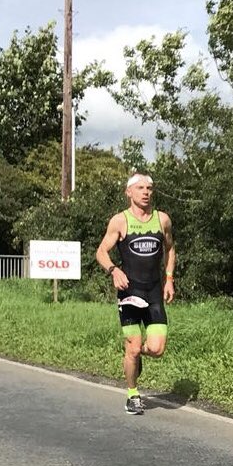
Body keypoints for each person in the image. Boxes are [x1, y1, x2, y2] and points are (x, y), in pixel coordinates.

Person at [95, 172, 176, 415]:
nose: (146, 192)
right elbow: (101, 252)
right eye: (140, 187)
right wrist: (113, 270)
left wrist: (169, 279)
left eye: (149, 188)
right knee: (132, 345)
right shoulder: (120, 221)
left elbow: (170, 250)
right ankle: (132, 394)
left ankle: (135, 354)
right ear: (129, 192)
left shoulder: (162, 220)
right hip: (129, 292)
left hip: (153, 291)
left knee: (157, 349)